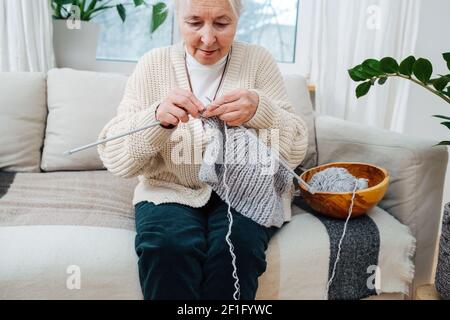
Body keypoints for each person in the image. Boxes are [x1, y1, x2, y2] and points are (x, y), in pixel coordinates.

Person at [97, 0, 308, 300]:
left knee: (235, 250)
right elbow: (115, 157)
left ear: (238, 19)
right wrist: (155, 119)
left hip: (245, 188)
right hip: (171, 189)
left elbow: (296, 146)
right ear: (177, 19)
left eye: (222, 24)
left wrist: (262, 111)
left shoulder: (258, 61)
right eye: (194, 23)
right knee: (167, 250)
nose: (208, 39)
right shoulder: (152, 65)